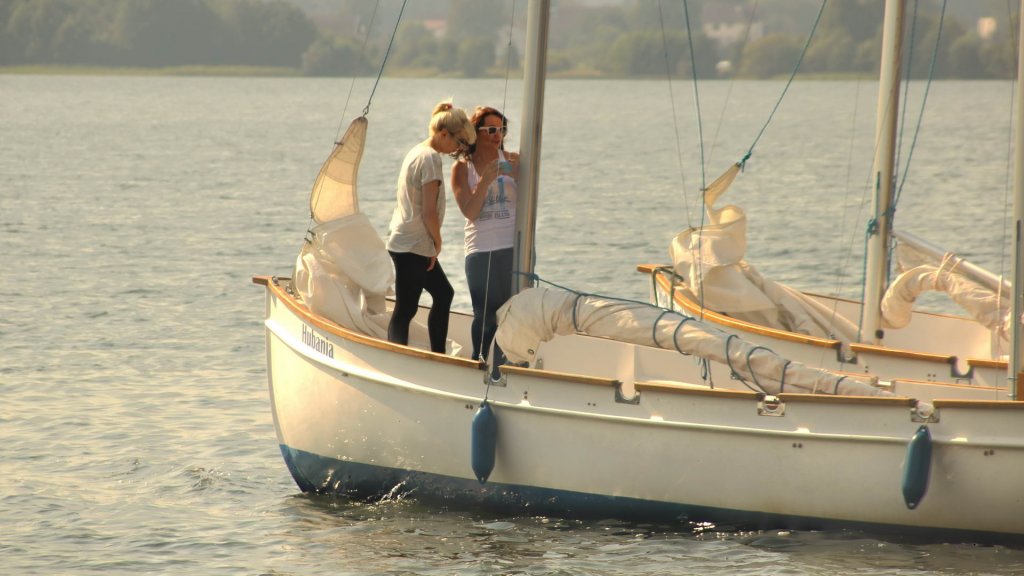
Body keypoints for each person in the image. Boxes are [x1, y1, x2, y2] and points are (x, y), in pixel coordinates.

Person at [386, 101, 476, 354]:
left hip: (409, 241)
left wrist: (430, 245)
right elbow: (428, 212)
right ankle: (398, 358)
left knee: (443, 294)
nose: (458, 150)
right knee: (406, 308)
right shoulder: (430, 159)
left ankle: (437, 353)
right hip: (413, 244)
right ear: (444, 134)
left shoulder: (418, 151)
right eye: (459, 142)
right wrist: (437, 243)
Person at [451, 106, 520, 363]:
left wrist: (516, 173)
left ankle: (503, 369)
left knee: (513, 313)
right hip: (480, 249)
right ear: (475, 133)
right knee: (486, 315)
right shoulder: (462, 168)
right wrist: (485, 180)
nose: (497, 135)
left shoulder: (515, 160)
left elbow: (531, 199)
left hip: (512, 246)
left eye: (501, 130)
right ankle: (478, 363)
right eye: (491, 130)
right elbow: (470, 212)